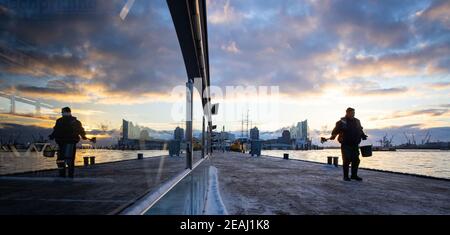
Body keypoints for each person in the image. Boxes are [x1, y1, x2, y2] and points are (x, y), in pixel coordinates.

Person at [329, 107, 368, 181]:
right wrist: (333, 135)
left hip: (355, 144)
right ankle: (345, 176)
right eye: (351, 113)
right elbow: (335, 131)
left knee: (356, 160)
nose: (353, 114)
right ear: (347, 113)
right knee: (346, 160)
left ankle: (354, 175)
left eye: (354, 113)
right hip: (345, 144)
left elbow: (360, 130)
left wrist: (363, 135)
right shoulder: (342, 121)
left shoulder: (357, 121)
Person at [49, 107, 89, 178]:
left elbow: (56, 131)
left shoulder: (61, 121)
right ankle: (67, 175)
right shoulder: (74, 121)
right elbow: (80, 130)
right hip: (67, 143)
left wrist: (52, 136)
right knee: (66, 160)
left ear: (65, 112)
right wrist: (83, 136)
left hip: (65, 142)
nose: (62, 113)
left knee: (63, 160)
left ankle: (64, 175)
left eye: (62, 112)